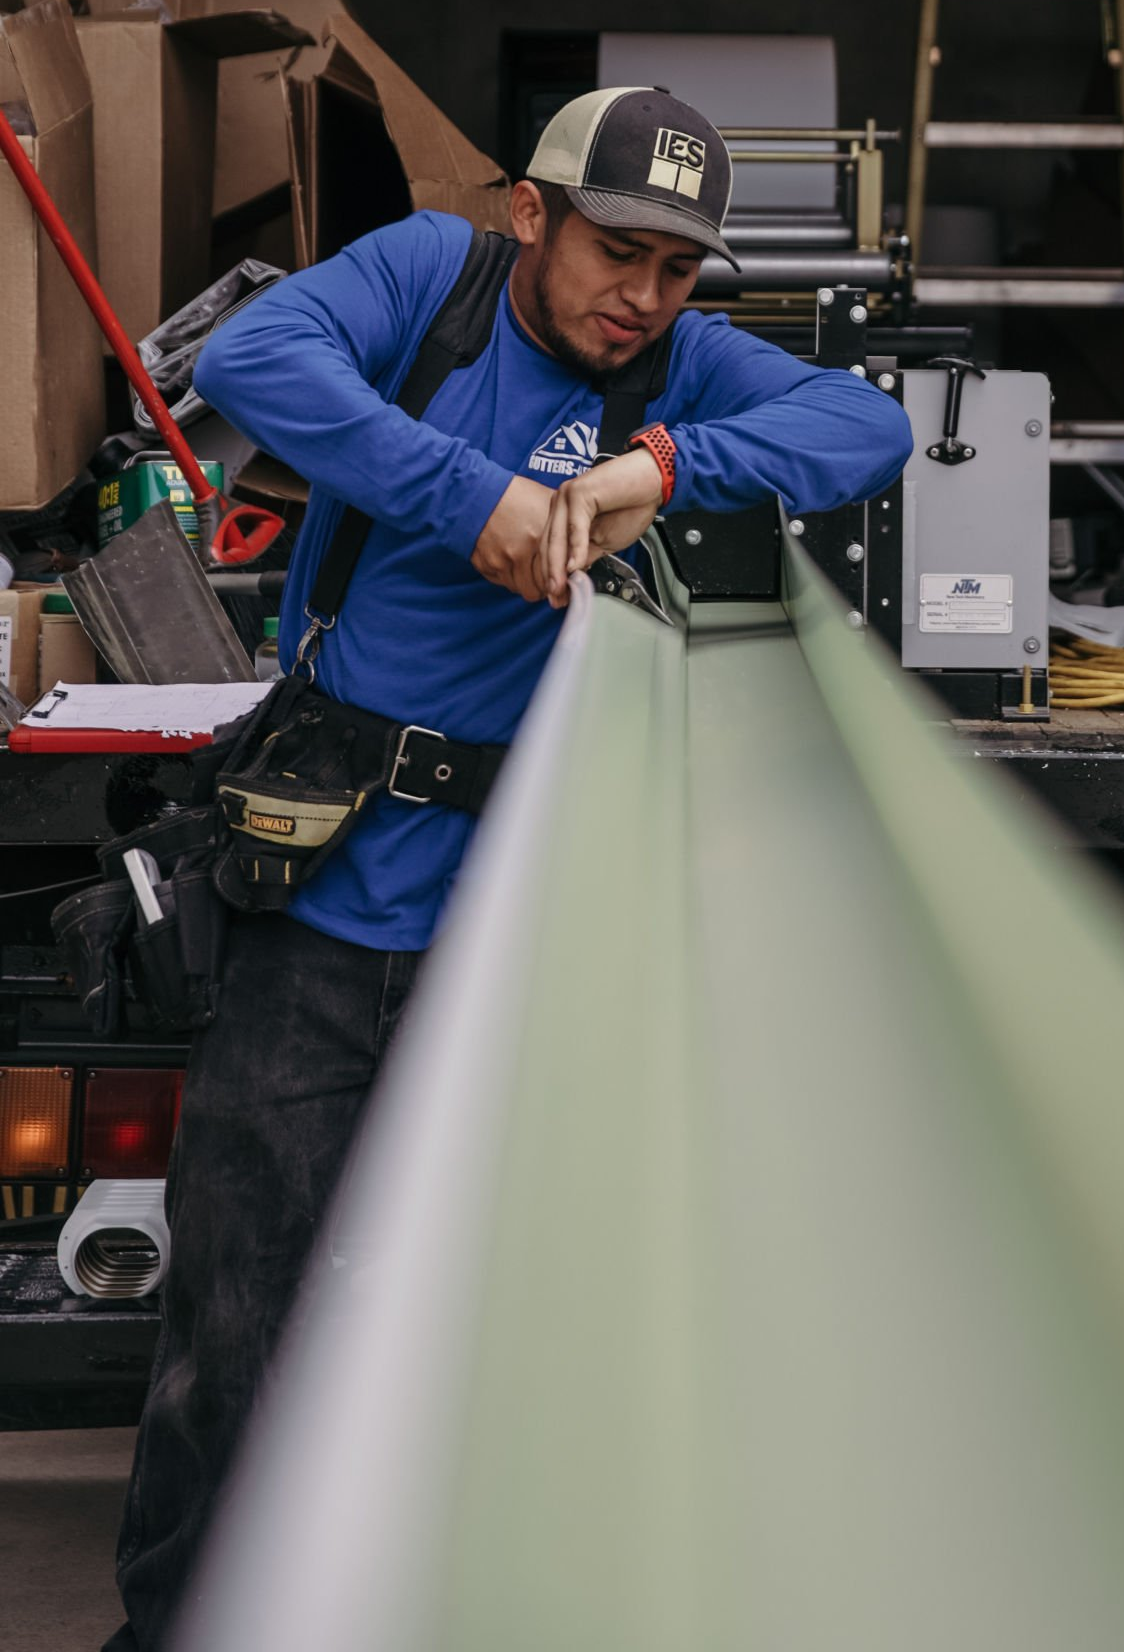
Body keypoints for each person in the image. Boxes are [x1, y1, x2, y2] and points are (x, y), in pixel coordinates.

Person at [103, 86, 912, 1650]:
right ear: (533, 215)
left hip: (533, 927)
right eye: (621, 252)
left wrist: (656, 472)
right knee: (238, 1331)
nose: (646, 297)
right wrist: (472, 498)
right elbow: (247, 360)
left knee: (507, 1343)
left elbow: (862, 425)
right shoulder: (433, 281)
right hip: (324, 914)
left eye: (681, 271)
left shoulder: (675, 364)